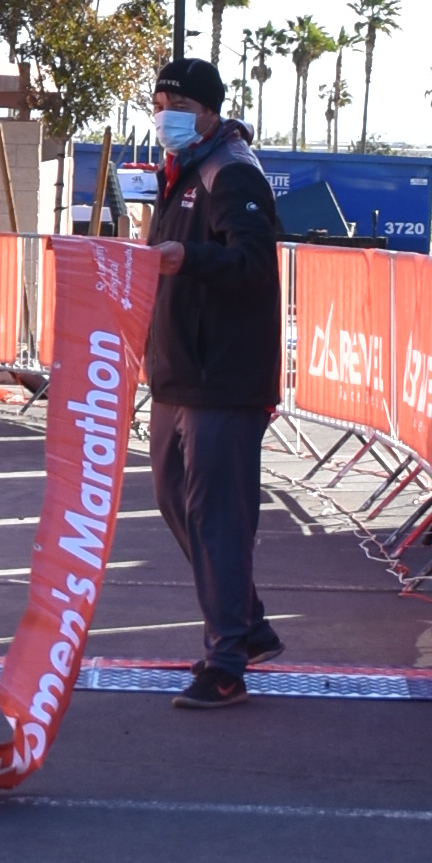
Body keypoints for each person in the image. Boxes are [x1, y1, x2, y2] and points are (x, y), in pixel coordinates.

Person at [142, 54, 286, 709]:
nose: (165, 117)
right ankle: (246, 622)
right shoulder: (179, 172)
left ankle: (226, 662)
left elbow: (252, 262)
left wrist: (187, 257)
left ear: (208, 111)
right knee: (177, 502)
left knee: (218, 518)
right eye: (158, 105)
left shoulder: (231, 171)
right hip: (178, 374)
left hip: (222, 375)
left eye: (178, 107)